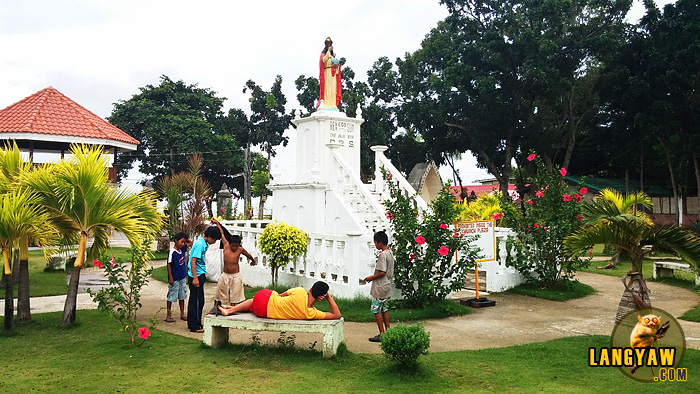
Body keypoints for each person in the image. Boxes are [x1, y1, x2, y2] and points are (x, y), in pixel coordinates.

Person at [217, 281, 341, 320]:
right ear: (321, 297)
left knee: (256, 299)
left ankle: (230, 309)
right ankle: (229, 309)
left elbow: (281, 295)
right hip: (264, 313)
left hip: (265, 298)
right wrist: (328, 296)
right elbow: (336, 315)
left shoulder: (300, 291)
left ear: (311, 289)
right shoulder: (311, 313)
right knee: (256, 304)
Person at [210, 218, 257, 308]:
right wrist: (217, 223)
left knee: (234, 296)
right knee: (219, 293)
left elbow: (248, 255)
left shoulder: (240, 249)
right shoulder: (226, 246)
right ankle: (215, 308)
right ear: (229, 243)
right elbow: (222, 233)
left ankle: (232, 309)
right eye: (233, 246)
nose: (234, 248)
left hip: (236, 276)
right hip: (225, 275)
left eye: (236, 246)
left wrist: (253, 261)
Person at [187, 226, 221, 333]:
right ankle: (194, 326)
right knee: (196, 301)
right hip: (196, 275)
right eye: (214, 239)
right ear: (209, 237)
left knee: (199, 300)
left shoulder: (202, 244)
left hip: (199, 274)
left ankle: (196, 322)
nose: (214, 242)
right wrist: (195, 278)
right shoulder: (200, 245)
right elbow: (193, 261)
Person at [363, 230, 394, 342]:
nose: (375, 245)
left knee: (377, 310)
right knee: (384, 309)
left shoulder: (382, 255)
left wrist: (370, 278)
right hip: (387, 286)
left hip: (380, 287)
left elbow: (382, 272)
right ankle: (388, 331)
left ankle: (382, 334)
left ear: (380, 243)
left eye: (375, 242)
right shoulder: (390, 253)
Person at [165, 232, 190, 323]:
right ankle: (168, 314)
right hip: (175, 278)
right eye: (181, 241)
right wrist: (171, 277)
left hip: (182, 277)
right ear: (176, 240)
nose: (183, 244)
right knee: (171, 296)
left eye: (184, 242)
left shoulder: (182, 249)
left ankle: (182, 313)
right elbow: (169, 265)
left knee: (182, 296)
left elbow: (190, 242)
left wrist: (185, 238)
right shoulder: (172, 252)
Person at [317, 36, 342, 110]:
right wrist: (328, 51)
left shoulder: (333, 56)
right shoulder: (323, 54)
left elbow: (337, 66)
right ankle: (327, 104)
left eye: (330, 43)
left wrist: (336, 66)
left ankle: (333, 104)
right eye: (327, 43)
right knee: (327, 89)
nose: (329, 45)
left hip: (333, 74)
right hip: (327, 73)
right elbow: (323, 60)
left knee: (333, 89)